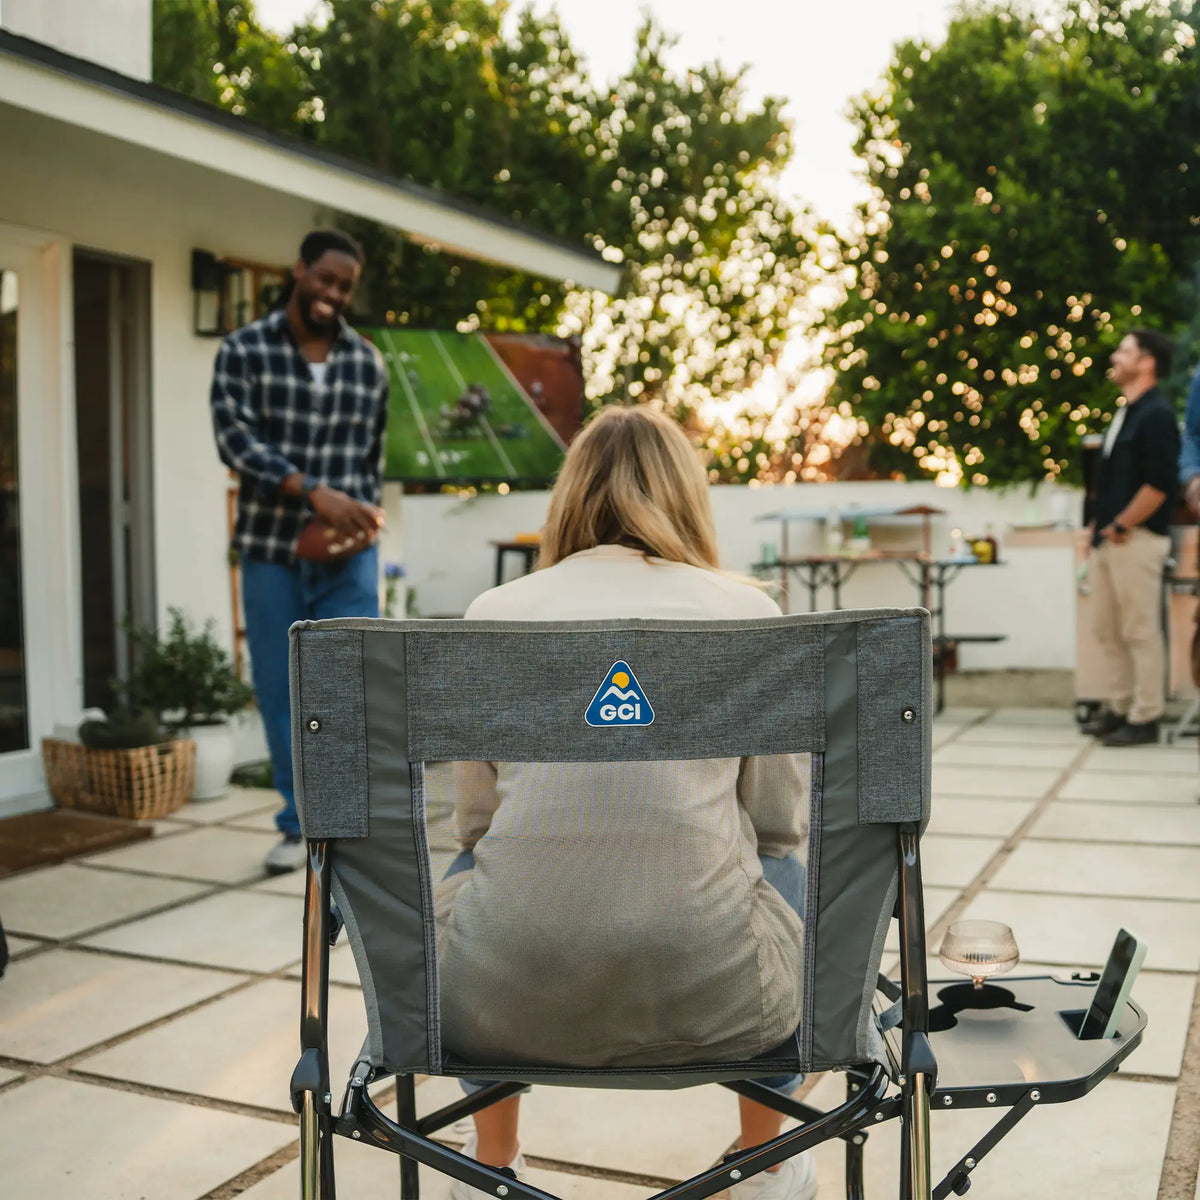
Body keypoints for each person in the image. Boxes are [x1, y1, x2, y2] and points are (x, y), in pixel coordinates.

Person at [436, 406, 816, 1200]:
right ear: (686, 496)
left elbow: (475, 821)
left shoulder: (493, 616)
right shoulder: (745, 615)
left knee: (486, 860)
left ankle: (492, 1162)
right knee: (775, 866)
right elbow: (780, 823)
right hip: (721, 991)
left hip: (495, 993)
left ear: (568, 498)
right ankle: (765, 1164)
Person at [210, 229, 388, 874]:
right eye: (326, 279)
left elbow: (370, 462)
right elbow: (235, 440)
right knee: (281, 688)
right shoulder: (243, 350)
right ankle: (297, 827)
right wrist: (313, 493)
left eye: (345, 286)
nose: (334, 294)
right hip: (270, 549)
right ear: (300, 271)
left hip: (348, 558)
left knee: (350, 688)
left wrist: (360, 518)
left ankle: (345, 827)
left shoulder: (368, 363)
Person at [1082, 329, 1180, 746]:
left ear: (1147, 362)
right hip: (1110, 541)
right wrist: (1098, 526)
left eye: (1125, 350)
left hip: (1136, 539)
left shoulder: (1157, 414)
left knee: (1140, 630)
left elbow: (1160, 483)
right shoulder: (1127, 412)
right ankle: (1119, 708)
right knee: (1107, 628)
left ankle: (1146, 716)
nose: (1115, 356)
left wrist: (1122, 524)